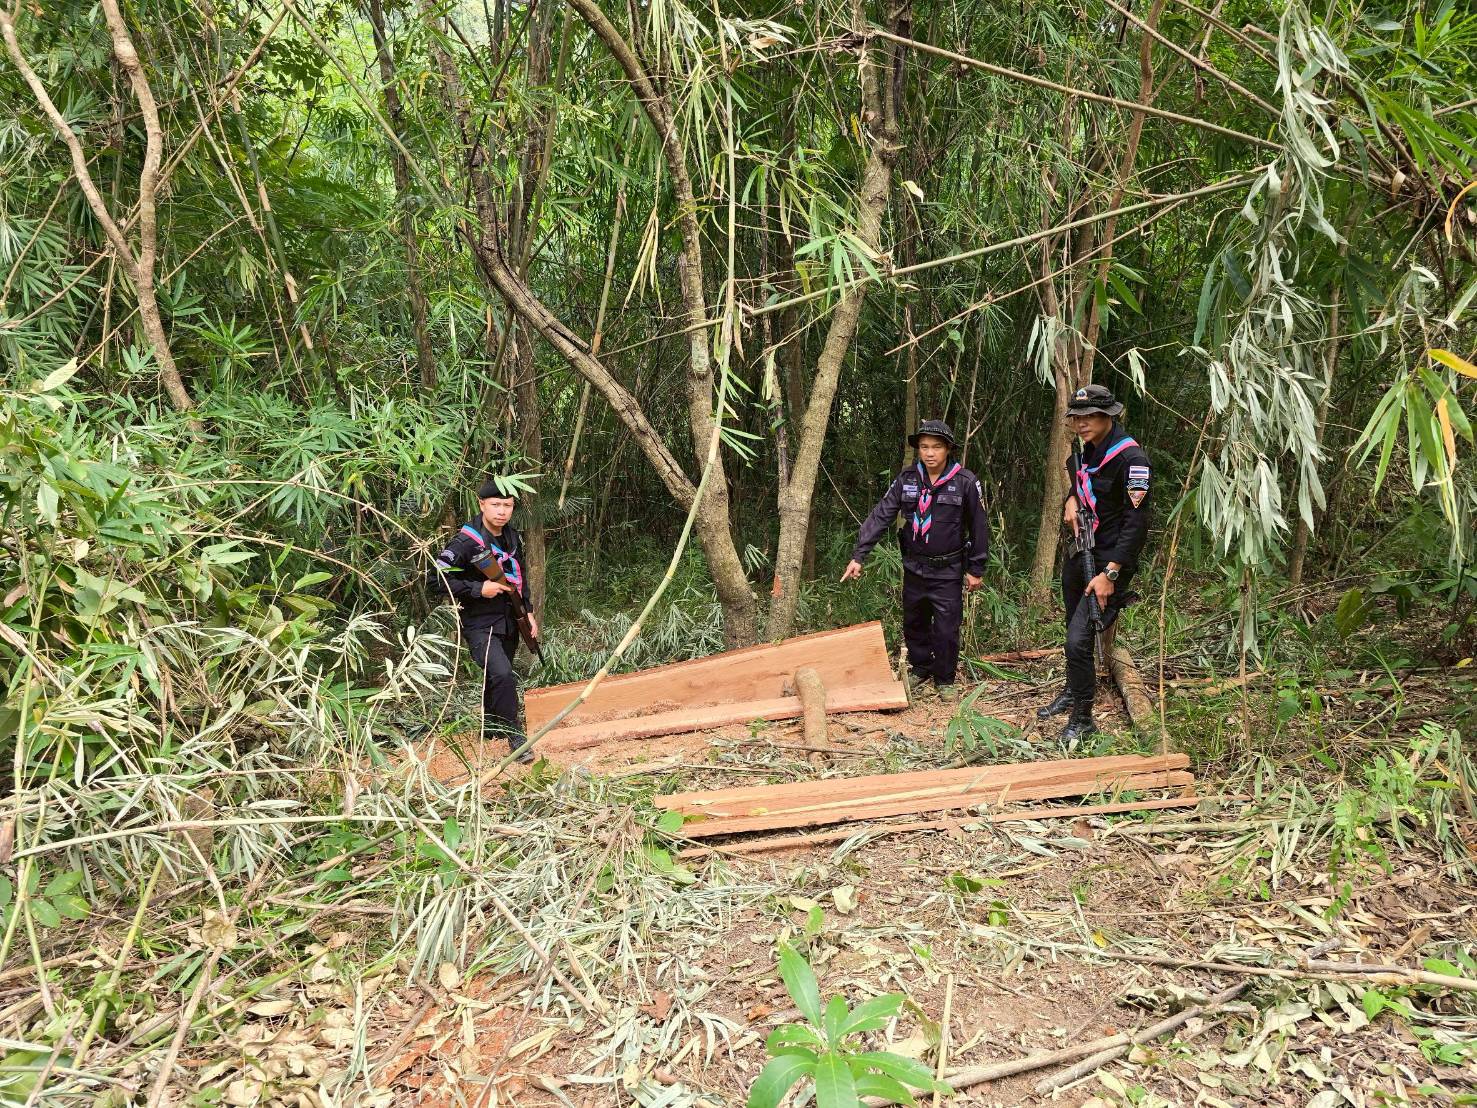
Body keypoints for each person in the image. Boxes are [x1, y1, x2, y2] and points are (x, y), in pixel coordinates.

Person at [842, 420, 989, 699]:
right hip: (914, 566)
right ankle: (920, 668)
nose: (930, 453)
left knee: (946, 627)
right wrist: (859, 555)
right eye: (924, 447)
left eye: (936, 447)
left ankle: (944, 679)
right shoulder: (907, 479)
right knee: (914, 621)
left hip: (948, 568)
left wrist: (976, 568)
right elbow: (882, 514)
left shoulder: (965, 482)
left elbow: (979, 527)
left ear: (948, 449)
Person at [1038, 384, 1152, 741]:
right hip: (1081, 553)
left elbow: (1137, 523)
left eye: (1090, 416)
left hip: (1107, 564)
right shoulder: (1088, 451)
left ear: (1109, 416)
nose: (1081, 423)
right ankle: (1073, 691)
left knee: (1077, 640)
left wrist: (1111, 574)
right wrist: (1070, 499)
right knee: (1073, 630)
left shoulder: (1131, 460)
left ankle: (1084, 718)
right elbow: (1082, 486)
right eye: (1076, 417)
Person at [427, 478, 540, 761]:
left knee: (497, 675)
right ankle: (515, 737)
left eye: (507, 506)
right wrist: (479, 588)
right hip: (479, 622)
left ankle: (490, 728)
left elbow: (521, 575)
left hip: (511, 617)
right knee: (502, 673)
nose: (502, 511)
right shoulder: (465, 542)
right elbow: (436, 579)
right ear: (482, 504)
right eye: (495, 505)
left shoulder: (512, 537)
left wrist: (528, 611)